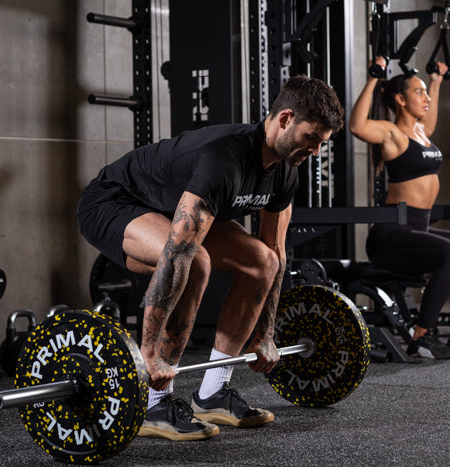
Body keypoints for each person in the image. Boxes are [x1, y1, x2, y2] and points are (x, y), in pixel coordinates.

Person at [77, 75, 344, 441]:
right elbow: (179, 254)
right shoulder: (224, 158)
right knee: (195, 260)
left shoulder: (285, 172)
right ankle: (154, 403)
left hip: (170, 210)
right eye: (311, 138)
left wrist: (265, 335)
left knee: (262, 262)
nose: (315, 151)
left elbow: (276, 255)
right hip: (114, 202)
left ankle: (213, 392)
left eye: (322, 143)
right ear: (284, 119)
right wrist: (150, 353)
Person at [349, 57, 450, 360]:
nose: (426, 98)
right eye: (419, 93)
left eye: (425, 93)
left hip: (418, 228)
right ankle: (421, 337)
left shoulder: (421, 132)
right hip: (391, 235)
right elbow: (357, 125)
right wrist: (374, 78)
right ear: (401, 100)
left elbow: (430, 118)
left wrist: (436, 81)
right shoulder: (392, 134)